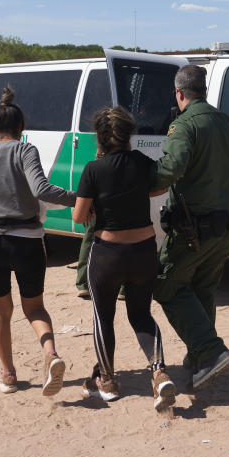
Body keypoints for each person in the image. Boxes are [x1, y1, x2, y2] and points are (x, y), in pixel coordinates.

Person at [0, 86, 75, 396]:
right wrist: (76, 198)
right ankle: (50, 355)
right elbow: (41, 189)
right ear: (22, 128)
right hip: (27, 241)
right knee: (35, 309)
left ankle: (8, 374)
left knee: (0, 311)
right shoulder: (25, 150)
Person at [71, 106, 177, 411]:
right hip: (144, 251)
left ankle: (107, 380)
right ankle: (159, 372)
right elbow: (162, 186)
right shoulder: (142, 162)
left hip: (107, 255)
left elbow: (79, 216)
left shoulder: (93, 169)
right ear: (128, 134)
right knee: (141, 314)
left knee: (103, 317)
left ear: (100, 138)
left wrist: (96, 207)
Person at [153, 65, 229, 391]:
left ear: (179, 94)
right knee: (203, 288)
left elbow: (170, 169)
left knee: (166, 284)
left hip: (194, 229)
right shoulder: (224, 121)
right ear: (203, 90)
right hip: (225, 227)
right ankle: (201, 361)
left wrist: (135, 180)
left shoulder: (182, 125)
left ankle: (210, 352)